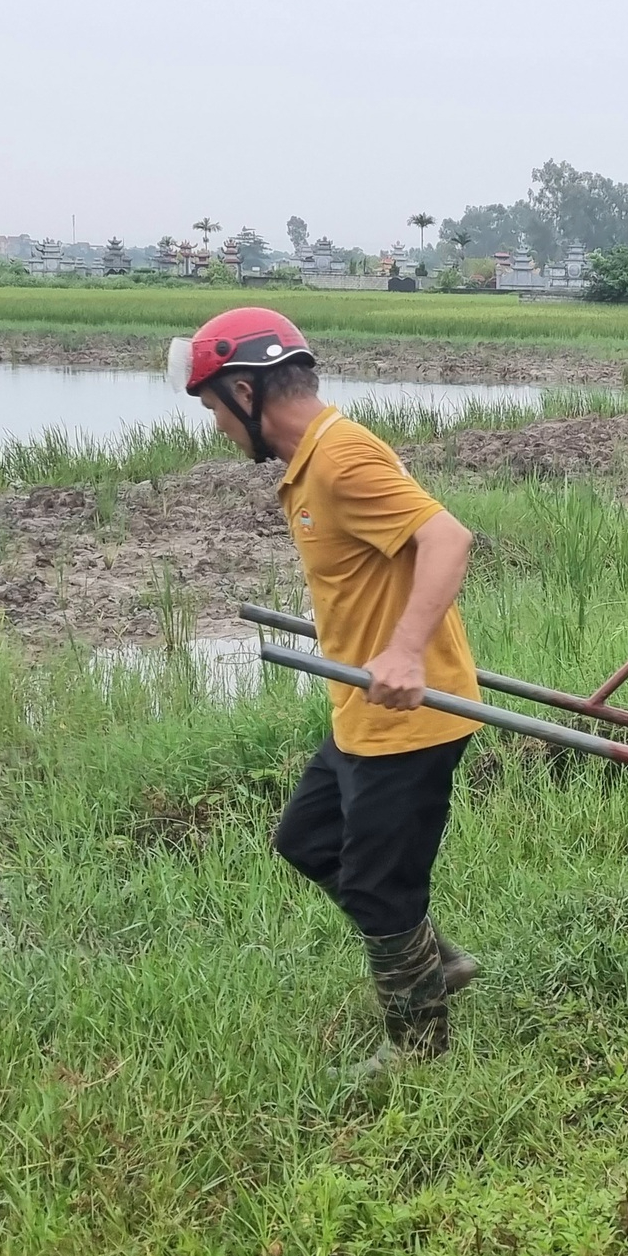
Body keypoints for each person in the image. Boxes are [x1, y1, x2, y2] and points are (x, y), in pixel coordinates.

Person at [170, 307, 483, 1071]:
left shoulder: (340, 458)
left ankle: (418, 1046)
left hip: (411, 718)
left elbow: (448, 538)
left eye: (214, 407)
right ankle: (430, 959)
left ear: (246, 393)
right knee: (305, 840)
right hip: (360, 712)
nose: (215, 426)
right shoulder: (314, 461)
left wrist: (406, 652)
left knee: (381, 886)